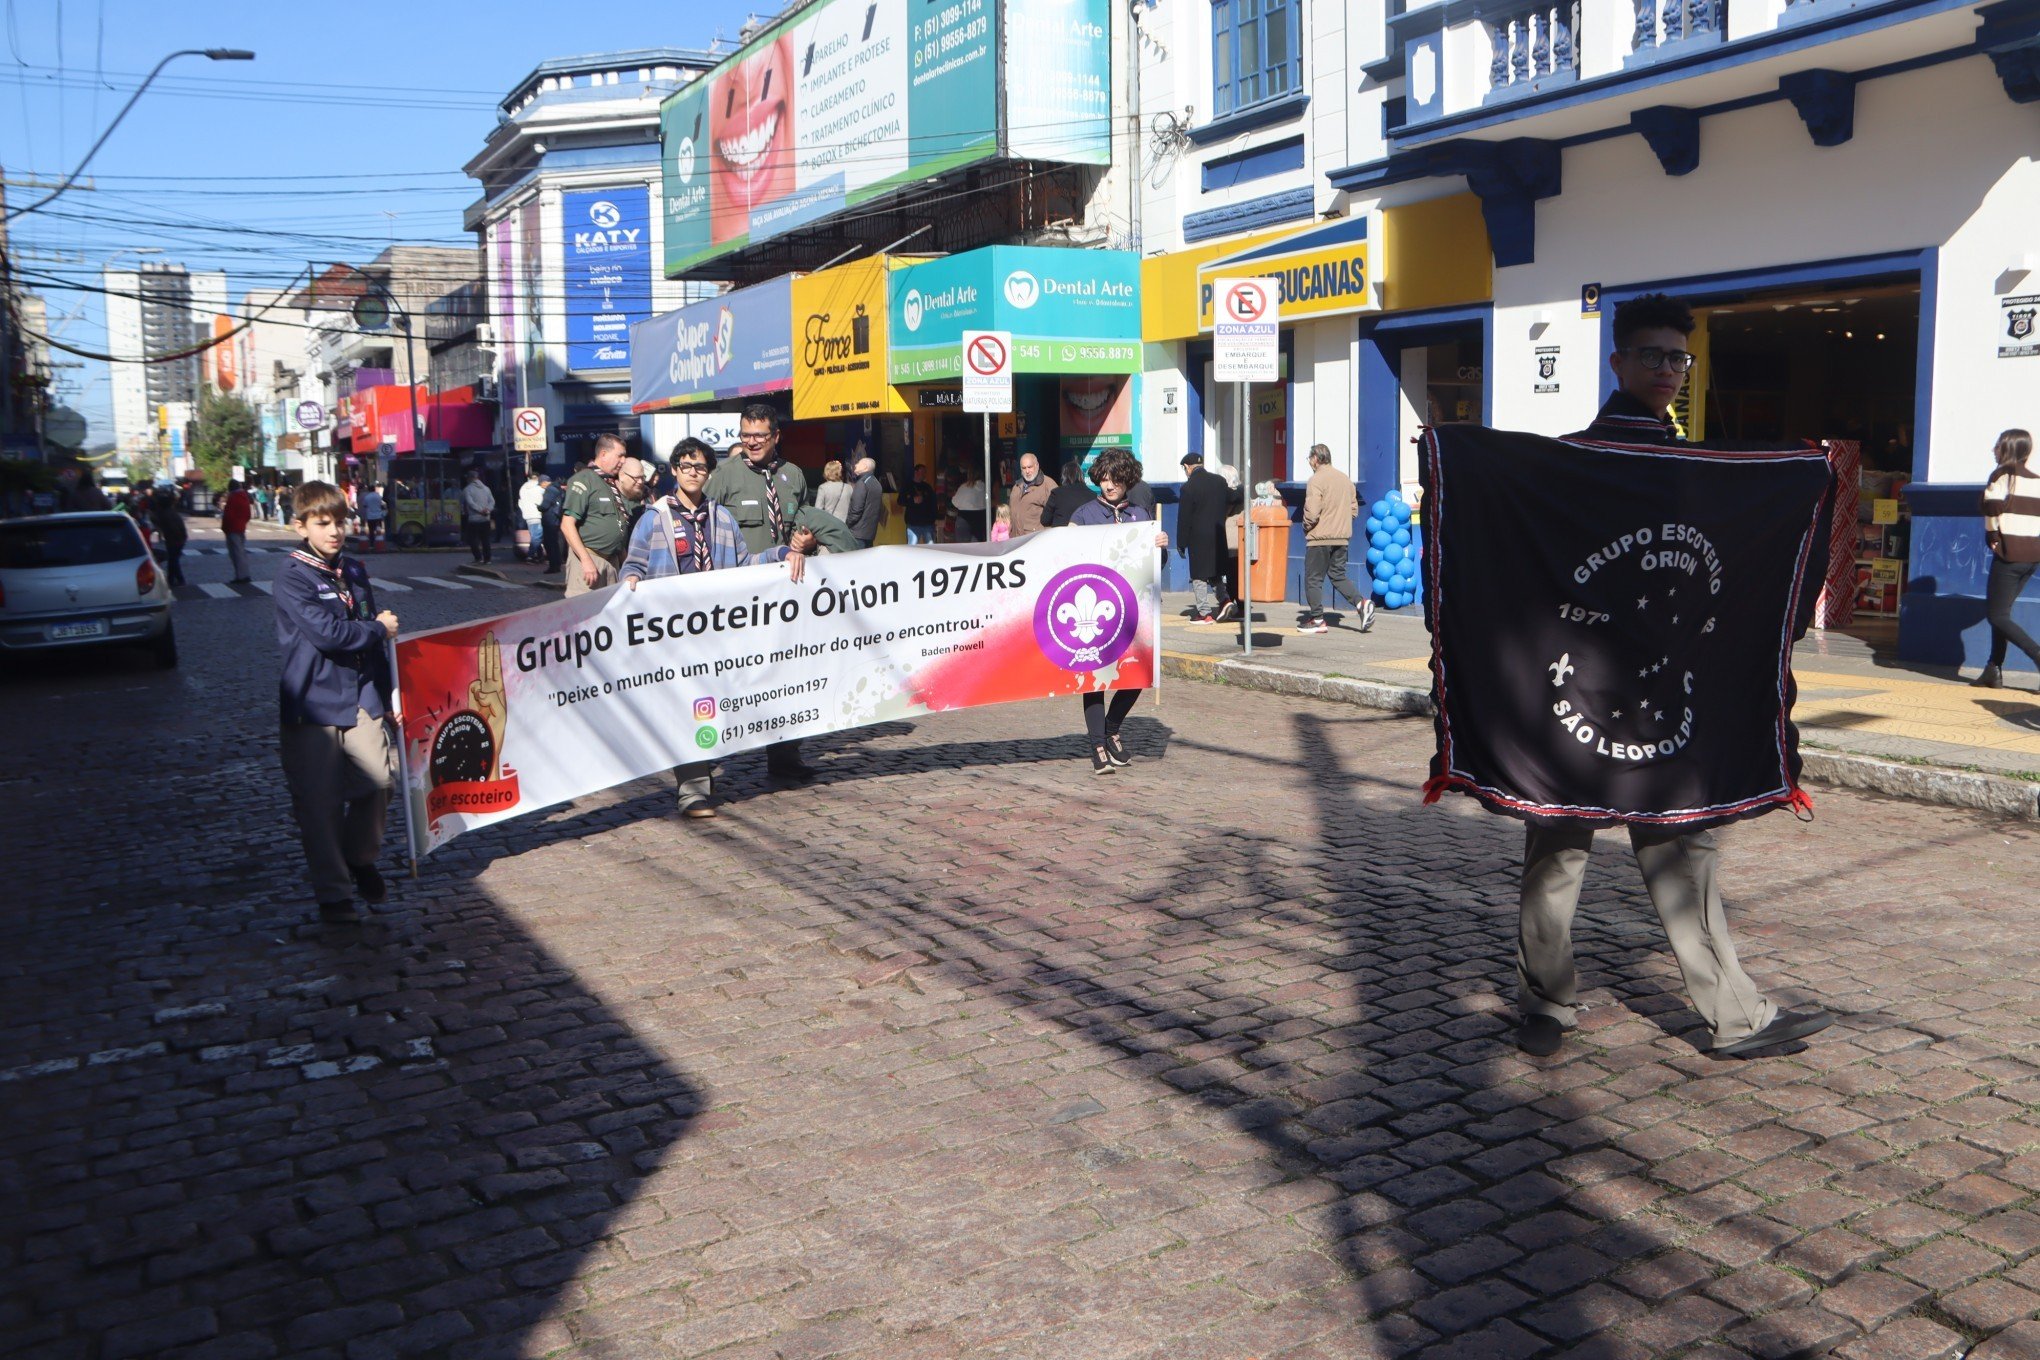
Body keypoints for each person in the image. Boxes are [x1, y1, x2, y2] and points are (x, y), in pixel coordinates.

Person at [1514, 292, 1832, 1061]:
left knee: (1653, 846)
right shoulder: (1583, 459)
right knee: (1581, 849)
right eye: (1651, 355)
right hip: (1591, 688)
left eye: (1677, 358)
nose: (1666, 369)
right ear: (1618, 361)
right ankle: (1568, 1007)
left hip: (1642, 691)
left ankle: (1563, 1008)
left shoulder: (1671, 463)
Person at [622, 438, 818, 819]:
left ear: (708, 473)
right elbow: (635, 564)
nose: (693, 472)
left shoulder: (722, 517)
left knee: (712, 705)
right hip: (674, 635)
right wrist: (630, 580)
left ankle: (707, 760)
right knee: (686, 705)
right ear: (674, 470)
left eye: (700, 467)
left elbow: (745, 562)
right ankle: (693, 792)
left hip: (718, 633)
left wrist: (783, 554)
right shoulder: (654, 518)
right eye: (685, 465)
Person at [273, 480, 400, 923]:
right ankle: (335, 896)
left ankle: (359, 857)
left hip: (361, 694)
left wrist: (388, 697)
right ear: (301, 526)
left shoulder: (355, 571)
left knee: (380, 782)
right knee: (319, 804)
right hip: (312, 700)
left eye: (340, 522)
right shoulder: (293, 576)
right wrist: (379, 629)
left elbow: (370, 641)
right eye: (323, 523)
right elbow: (330, 634)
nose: (334, 531)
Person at [703, 404, 818, 781]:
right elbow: (699, 522)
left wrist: (807, 539)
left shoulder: (793, 475)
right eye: (745, 435)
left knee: (787, 673)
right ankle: (708, 756)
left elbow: (801, 520)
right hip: (739, 598)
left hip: (786, 594)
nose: (751, 442)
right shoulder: (725, 476)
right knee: (729, 675)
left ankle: (785, 755)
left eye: (759, 436)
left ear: (775, 436)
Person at [1067, 449, 1169, 776]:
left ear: (1127, 480)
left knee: (1136, 672)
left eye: (1117, 479)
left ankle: (1112, 728)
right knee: (1095, 676)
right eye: (1105, 478)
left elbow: (1156, 567)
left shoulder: (1141, 515)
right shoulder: (1083, 515)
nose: (1109, 485)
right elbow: (1066, 560)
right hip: (1093, 609)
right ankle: (1098, 743)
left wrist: (1160, 548)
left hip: (1134, 609)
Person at [1975, 428, 2040, 689]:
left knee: (1996, 616)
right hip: (2032, 556)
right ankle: (1993, 668)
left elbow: (1992, 505)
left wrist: (1991, 533)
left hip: (2009, 553)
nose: (1994, 450)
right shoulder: (2037, 480)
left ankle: (2036, 654)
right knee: (2002, 612)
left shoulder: (2002, 475)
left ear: (2009, 449)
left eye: (1998, 445)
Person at [1299, 444, 1375, 634]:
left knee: (1313, 579)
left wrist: (1307, 526)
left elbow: (1312, 511)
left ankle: (1317, 620)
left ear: (1316, 458)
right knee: (1338, 576)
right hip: (1342, 538)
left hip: (1320, 539)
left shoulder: (1315, 480)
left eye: (1309, 459)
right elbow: (1354, 510)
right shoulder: (1345, 479)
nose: (1309, 462)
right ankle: (1361, 603)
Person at [562, 434, 630, 597]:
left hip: (612, 562)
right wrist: (586, 561)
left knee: (610, 615)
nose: (623, 461)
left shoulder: (610, 483)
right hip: (590, 560)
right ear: (604, 454)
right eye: (620, 456)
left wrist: (627, 563)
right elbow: (567, 524)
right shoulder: (585, 479)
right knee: (585, 615)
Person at [1176, 453, 1237, 625]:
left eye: (1185, 469)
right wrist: (1241, 490)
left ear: (1188, 467)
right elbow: (1233, 497)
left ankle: (1204, 613)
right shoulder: (1219, 481)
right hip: (1218, 536)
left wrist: (1181, 543)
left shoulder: (1188, 488)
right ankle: (1225, 601)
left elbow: (1184, 519)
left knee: (1199, 576)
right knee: (1215, 572)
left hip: (1198, 539)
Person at [1009, 453, 1057, 536]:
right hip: (1016, 540)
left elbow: (1057, 514)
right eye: (1024, 468)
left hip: (1036, 541)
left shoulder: (1048, 485)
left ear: (1037, 465)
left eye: (1029, 467)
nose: (1027, 471)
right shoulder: (1016, 487)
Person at [150, 485, 187, 588]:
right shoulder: (171, 512)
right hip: (178, 538)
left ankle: (178, 579)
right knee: (173, 559)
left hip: (174, 539)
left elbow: (169, 527)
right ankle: (172, 579)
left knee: (173, 560)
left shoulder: (165, 514)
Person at [844, 456, 884, 549]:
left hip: (857, 533)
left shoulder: (862, 483)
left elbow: (856, 509)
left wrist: (847, 525)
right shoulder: (876, 483)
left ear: (865, 467)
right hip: (869, 532)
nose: (856, 465)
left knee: (856, 560)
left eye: (859, 463)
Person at [220, 479, 255, 583]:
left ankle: (241, 576)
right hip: (240, 527)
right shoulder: (244, 497)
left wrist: (225, 527)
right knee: (240, 552)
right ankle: (243, 574)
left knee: (236, 553)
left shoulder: (233, 498)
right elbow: (248, 515)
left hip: (232, 528)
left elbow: (228, 515)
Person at [460, 471, 495, 565]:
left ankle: (478, 557)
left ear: (470, 478)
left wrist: (480, 510)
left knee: (472, 539)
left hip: (473, 519)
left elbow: (470, 503)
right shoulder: (486, 488)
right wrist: (487, 510)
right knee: (485, 539)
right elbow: (492, 501)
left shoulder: (467, 489)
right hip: (486, 518)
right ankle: (487, 559)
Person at [1045, 459, 1091, 528]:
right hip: (1084, 536)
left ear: (1063, 476)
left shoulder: (1056, 493)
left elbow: (1045, 520)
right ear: (1081, 475)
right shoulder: (1092, 495)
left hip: (1062, 536)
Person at [899, 467, 938, 544]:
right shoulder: (907, 486)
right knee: (912, 547)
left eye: (925, 473)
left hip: (928, 523)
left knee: (931, 547)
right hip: (913, 523)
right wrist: (912, 500)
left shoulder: (927, 487)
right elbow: (900, 501)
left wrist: (934, 518)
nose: (924, 475)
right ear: (916, 472)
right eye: (922, 472)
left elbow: (933, 503)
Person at [538, 473, 566, 575]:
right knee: (555, 543)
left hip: (550, 520)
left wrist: (539, 507)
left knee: (549, 543)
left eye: (540, 484)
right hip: (556, 519)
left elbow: (545, 505)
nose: (541, 486)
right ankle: (557, 564)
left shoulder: (550, 490)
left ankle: (553, 566)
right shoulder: (557, 489)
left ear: (544, 482)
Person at [518, 471, 547, 563]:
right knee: (537, 537)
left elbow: (520, 502)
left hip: (527, 515)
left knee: (535, 536)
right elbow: (542, 501)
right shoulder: (539, 488)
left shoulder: (523, 488)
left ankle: (540, 555)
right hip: (537, 515)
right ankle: (530, 556)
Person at [950, 469, 987, 541]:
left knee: (963, 547)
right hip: (979, 517)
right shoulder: (985, 487)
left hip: (963, 517)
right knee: (977, 547)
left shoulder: (964, 487)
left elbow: (954, 502)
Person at [816, 459, 854, 524]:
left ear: (827, 472)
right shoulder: (849, 487)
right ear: (840, 472)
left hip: (829, 524)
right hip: (846, 525)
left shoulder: (823, 488)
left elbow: (818, 509)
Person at [357, 483, 386, 550]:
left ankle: (372, 545)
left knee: (371, 531)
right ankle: (380, 544)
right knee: (379, 531)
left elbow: (364, 505)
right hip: (378, 515)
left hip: (370, 516)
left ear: (369, 490)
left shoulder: (367, 497)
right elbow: (382, 504)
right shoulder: (378, 496)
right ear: (374, 489)